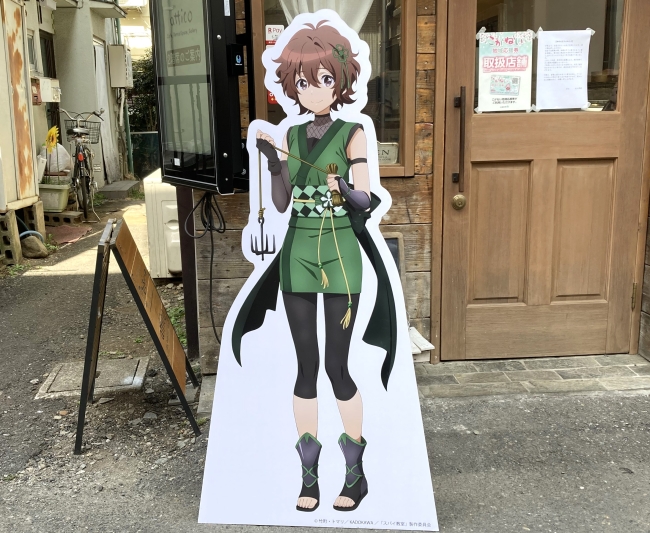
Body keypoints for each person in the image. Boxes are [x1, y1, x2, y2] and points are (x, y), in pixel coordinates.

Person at [231, 20, 398, 513]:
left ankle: (355, 474)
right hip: (299, 252)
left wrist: (343, 189)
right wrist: (273, 163)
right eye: (303, 81)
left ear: (340, 81)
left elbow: (366, 198)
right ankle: (309, 476)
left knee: (336, 366)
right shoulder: (292, 134)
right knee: (305, 367)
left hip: (341, 253)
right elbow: (282, 203)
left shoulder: (353, 134)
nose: (313, 90)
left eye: (324, 79)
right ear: (293, 86)